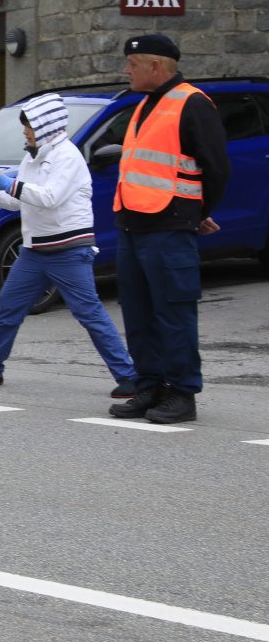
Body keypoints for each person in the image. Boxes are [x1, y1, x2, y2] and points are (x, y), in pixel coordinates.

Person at [0, 93, 137, 395]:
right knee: (6, 309)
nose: (25, 132)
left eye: (29, 126)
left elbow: (49, 197)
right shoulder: (32, 157)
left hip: (69, 249)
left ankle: (128, 377)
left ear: (46, 125)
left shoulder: (67, 156)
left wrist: (3, 181)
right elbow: (18, 201)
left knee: (90, 314)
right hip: (34, 250)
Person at [107, 33, 231, 425]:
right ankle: (150, 386)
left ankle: (181, 392)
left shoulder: (192, 103)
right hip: (133, 224)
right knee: (139, 314)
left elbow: (217, 169)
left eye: (132, 64)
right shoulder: (145, 103)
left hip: (168, 226)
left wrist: (193, 213)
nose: (126, 70)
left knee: (173, 313)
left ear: (156, 66)